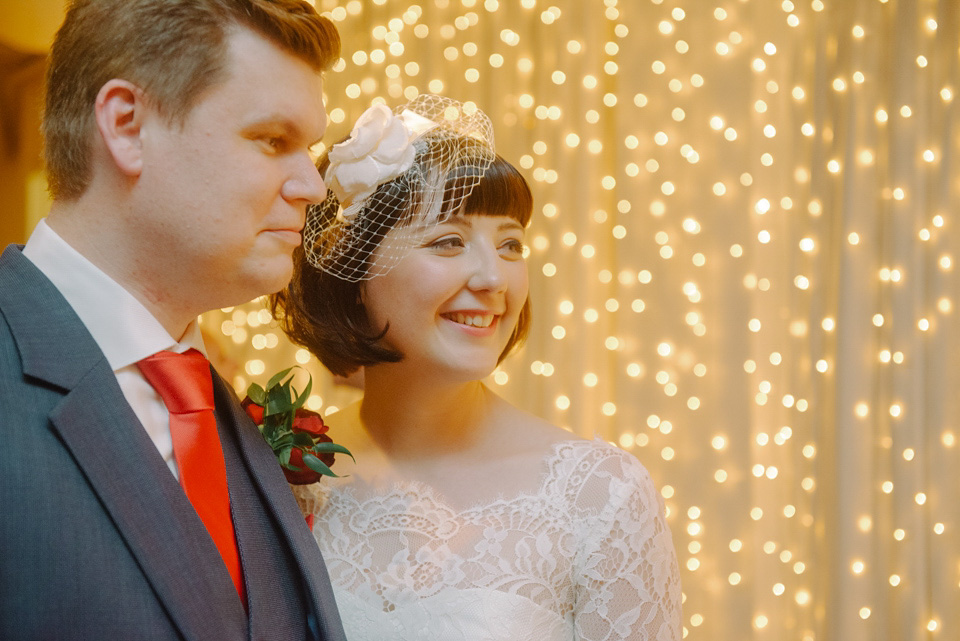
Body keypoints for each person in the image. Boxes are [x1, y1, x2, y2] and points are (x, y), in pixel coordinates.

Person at [273, 94, 683, 640]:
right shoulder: (284, 472)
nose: (494, 278)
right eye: (449, 242)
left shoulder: (600, 495)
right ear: (355, 273)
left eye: (511, 244)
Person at [0, 1, 347, 639]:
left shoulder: (215, 401)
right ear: (128, 126)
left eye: (309, 149)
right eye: (274, 140)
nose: (312, 186)